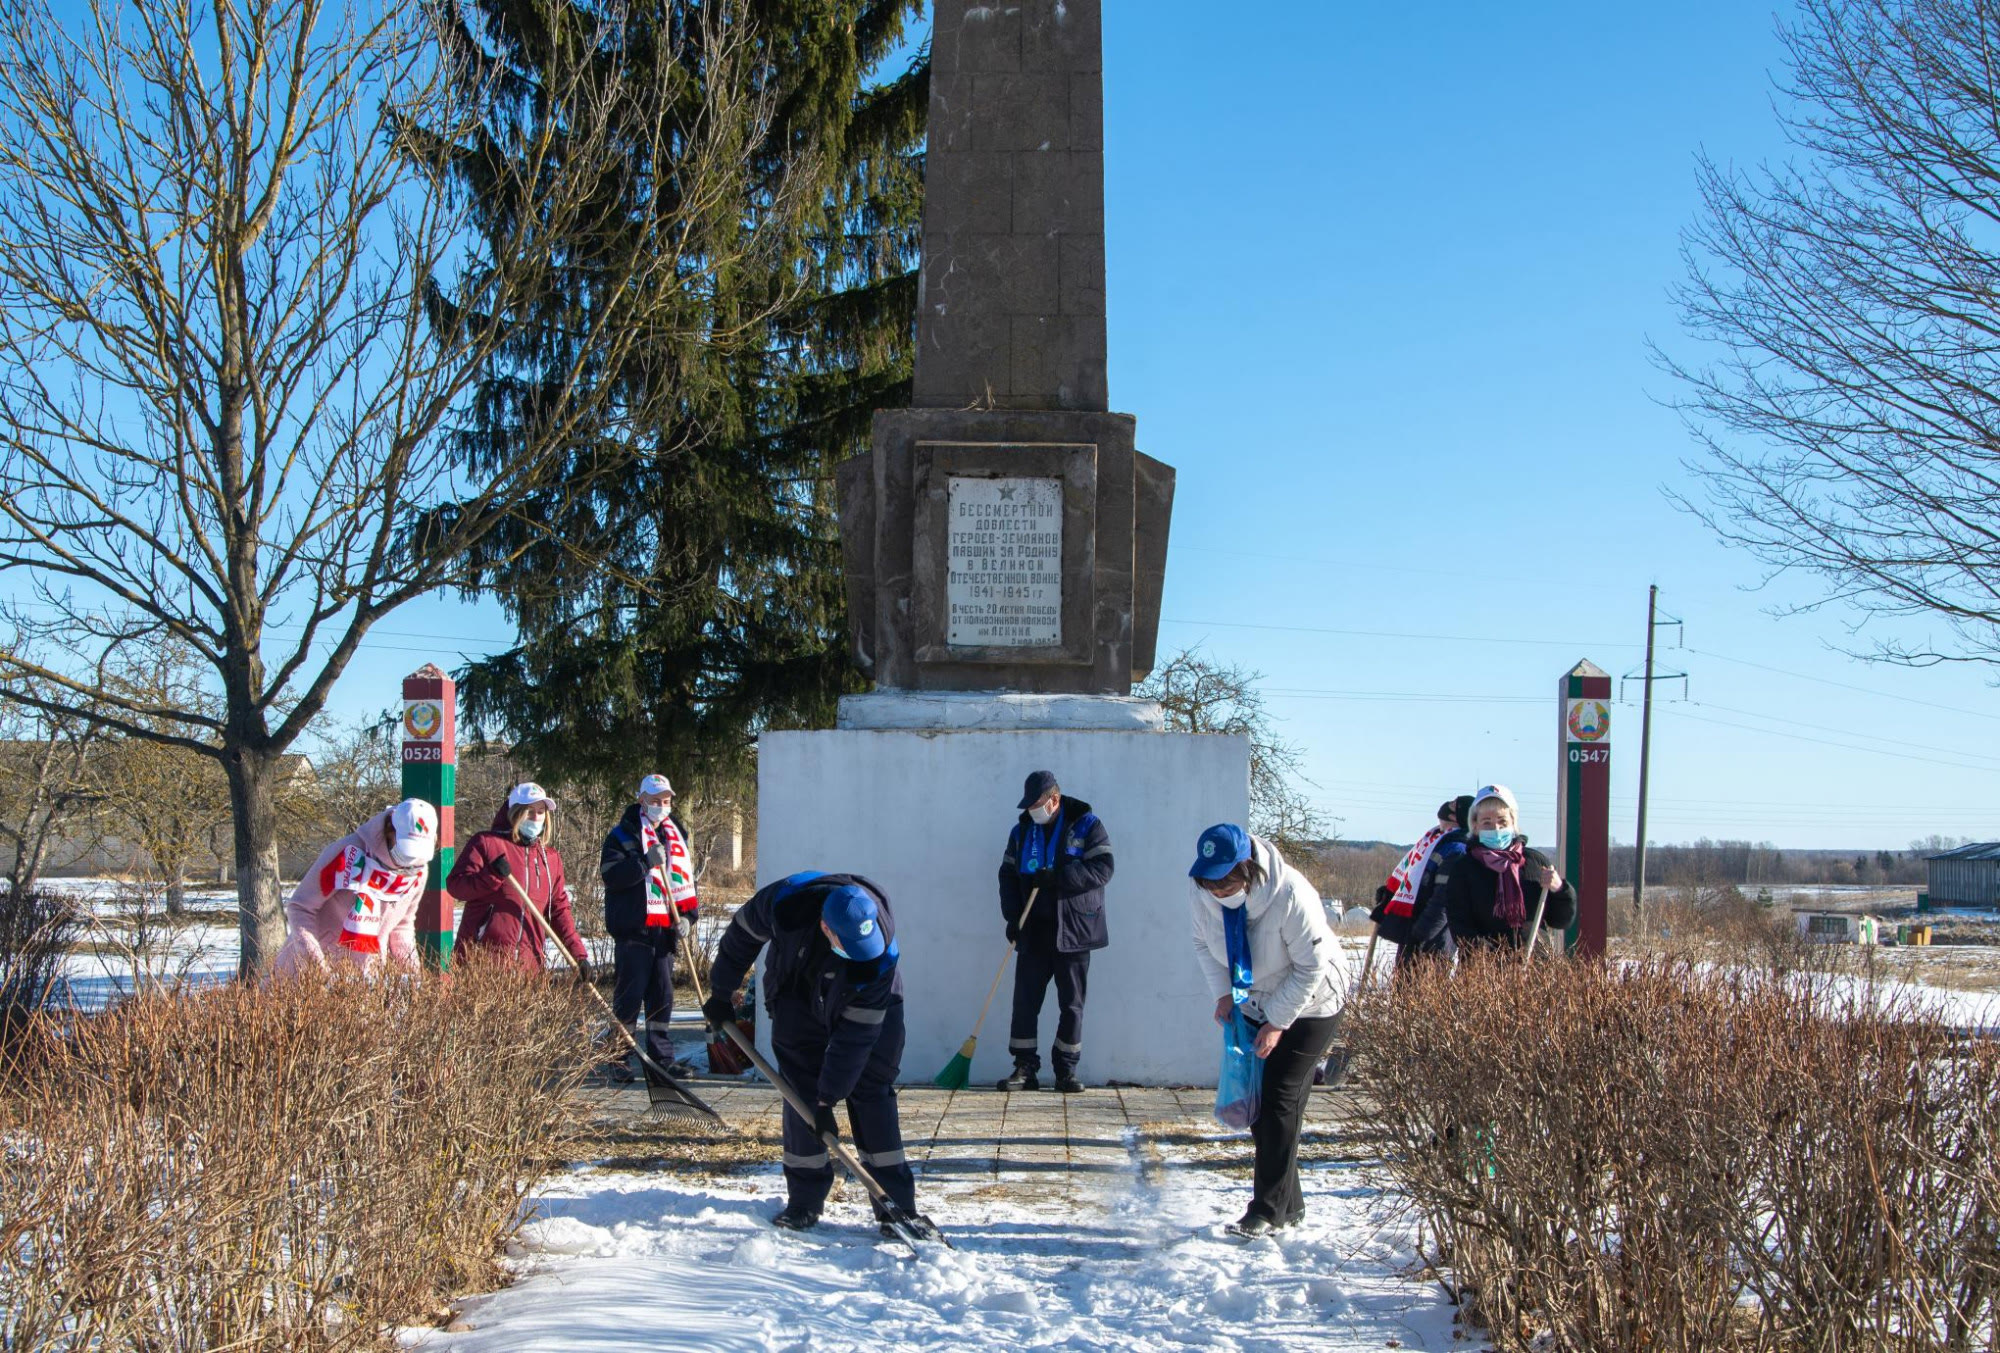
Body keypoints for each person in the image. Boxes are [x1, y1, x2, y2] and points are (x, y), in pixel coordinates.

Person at [702, 871, 926, 1235]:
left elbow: (855, 1039)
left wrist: (828, 1100)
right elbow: (740, 938)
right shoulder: (782, 904)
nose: (856, 954)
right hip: (797, 993)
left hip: (871, 1006)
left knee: (871, 1090)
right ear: (827, 928)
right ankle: (804, 1202)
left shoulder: (879, 955)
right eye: (849, 946)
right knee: (800, 1094)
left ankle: (895, 1207)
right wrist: (721, 993)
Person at [1188, 823, 1350, 1237]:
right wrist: (1223, 994)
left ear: (1248, 868)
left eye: (1227, 884)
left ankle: (1266, 1210)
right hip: (1257, 998)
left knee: (1280, 1097)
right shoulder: (1201, 892)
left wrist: (1278, 1022)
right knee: (1262, 1109)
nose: (1219, 893)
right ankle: (1289, 1203)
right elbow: (1203, 944)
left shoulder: (1290, 895)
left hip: (1314, 1002)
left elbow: (1310, 968)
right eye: (1212, 886)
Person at [995, 769, 1113, 1093]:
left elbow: (1103, 869)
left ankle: (1065, 1070)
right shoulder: (1021, 832)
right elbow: (1006, 875)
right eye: (1029, 805)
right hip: (1033, 929)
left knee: (1071, 1005)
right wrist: (1012, 917)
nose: (1033, 811)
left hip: (1074, 931)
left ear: (1054, 799)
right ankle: (1024, 1068)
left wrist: (1061, 877)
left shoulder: (1088, 825)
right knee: (1025, 1002)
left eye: (1037, 804)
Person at [599, 773, 699, 1081]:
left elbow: (685, 880)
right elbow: (611, 876)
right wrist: (645, 862)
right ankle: (619, 1057)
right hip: (634, 928)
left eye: (665, 801)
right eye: (655, 800)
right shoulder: (623, 835)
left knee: (662, 995)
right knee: (629, 997)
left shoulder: (675, 835)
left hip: (664, 931)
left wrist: (688, 917)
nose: (660, 806)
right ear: (641, 800)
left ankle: (661, 1058)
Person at [274, 798, 438, 977]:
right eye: (406, 847)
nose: (410, 859)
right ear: (390, 830)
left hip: (367, 976)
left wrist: (413, 977)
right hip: (306, 974)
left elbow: (402, 925)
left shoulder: (418, 871)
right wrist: (317, 967)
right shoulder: (347, 853)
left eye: (417, 852)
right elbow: (300, 907)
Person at [449, 782, 591, 981]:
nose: (535, 817)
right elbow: (456, 886)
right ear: (515, 812)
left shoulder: (550, 858)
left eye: (540, 812)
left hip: (529, 967)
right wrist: (491, 876)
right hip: (481, 962)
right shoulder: (487, 843)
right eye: (529, 811)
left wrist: (578, 954)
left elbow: (559, 909)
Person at [1440, 783, 1576, 950]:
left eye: (1502, 821)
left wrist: (1559, 889)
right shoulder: (1464, 868)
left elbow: (1561, 920)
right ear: (1475, 825)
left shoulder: (1536, 862)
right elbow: (1459, 924)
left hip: (1534, 967)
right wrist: (1491, 957)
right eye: (1487, 822)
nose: (1495, 829)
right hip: (1482, 970)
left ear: (1513, 822)